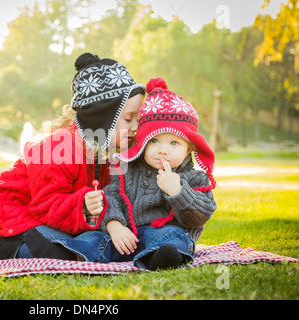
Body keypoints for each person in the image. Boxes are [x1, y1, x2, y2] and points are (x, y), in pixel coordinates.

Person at [0, 53, 146, 259]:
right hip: (16, 213)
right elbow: (45, 205)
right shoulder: (59, 148)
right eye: (128, 119)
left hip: (51, 216)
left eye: (137, 118)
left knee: (88, 240)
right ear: (104, 117)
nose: (135, 127)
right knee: (58, 246)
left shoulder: (101, 151)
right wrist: (83, 205)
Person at [28, 77, 217, 271]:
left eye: (174, 143)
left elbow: (200, 216)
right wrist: (115, 224)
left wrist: (178, 191)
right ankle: (68, 252)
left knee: (174, 238)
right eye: (154, 141)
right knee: (95, 239)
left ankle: (160, 258)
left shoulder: (195, 178)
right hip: (124, 237)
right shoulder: (127, 168)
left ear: (189, 149)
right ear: (142, 141)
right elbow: (112, 196)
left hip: (162, 234)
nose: (163, 150)